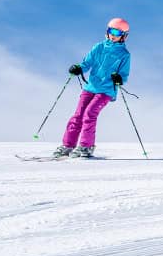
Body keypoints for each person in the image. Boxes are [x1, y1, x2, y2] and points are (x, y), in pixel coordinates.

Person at [54, 18, 132, 158]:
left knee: (89, 114)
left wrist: (119, 78)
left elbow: (124, 75)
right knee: (78, 115)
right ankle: (67, 145)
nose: (113, 35)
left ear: (124, 35)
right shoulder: (98, 47)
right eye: (111, 31)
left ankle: (86, 147)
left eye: (117, 32)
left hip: (106, 91)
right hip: (90, 87)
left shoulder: (124, 55)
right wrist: (78, 68)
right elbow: (86, 63)